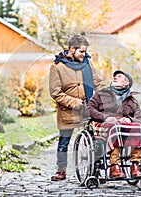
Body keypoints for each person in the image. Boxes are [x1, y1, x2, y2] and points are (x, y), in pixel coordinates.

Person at [49, 34, 106, 181]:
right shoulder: (57, 67)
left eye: (85, 51)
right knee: (64, 142)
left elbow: (98, 83)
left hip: (88, 109)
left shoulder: (87, 64)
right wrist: (75, 103)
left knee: (96, 139)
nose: (84, 54)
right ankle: (61, 171)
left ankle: (96, 172)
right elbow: (55, 92)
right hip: (68, 111)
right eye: (81, 51)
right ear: (71, 49)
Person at [86, 70, 141, 178]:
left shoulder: (132, 101)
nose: (115, 77)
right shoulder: (101, 93)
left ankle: (135, 166)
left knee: (137, 128)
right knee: (115, 128)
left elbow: (140, 119)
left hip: (123, 126)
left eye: (119, 76)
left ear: (126, 83)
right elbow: (89, 109)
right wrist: (106, 117)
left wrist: (130, 120)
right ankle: (114, 166)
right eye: (115, 76)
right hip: (103, 123)